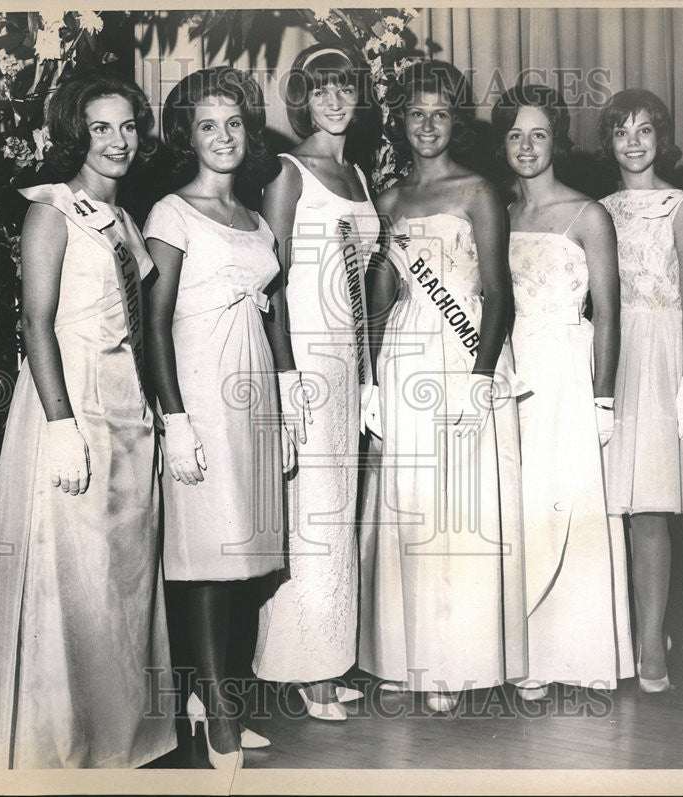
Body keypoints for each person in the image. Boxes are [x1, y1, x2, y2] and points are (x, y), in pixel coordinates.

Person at [0, 72, 176, 768]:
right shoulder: (52, 211)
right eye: (102, 127)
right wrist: (62, 423)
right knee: (70, 579)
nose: (118, 141)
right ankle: (61, 745)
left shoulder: (126, 219)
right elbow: (33, 321)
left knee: (120, 585)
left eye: (128, 125)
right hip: (69, 406)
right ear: (79, 133)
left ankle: (119, 740)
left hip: (128, 412)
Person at [358, 60, 526, 713]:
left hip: (460, 361)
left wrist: (483, 376)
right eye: (415, 114)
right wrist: (371, 377)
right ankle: (409, 654)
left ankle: (456, 659)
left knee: (456, 509)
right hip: (403, 360)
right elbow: (378, 295)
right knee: (407, 504)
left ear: (455, 121)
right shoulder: (390, 200)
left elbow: (495, 293)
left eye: (439, 114)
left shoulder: (478, 192)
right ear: (400, 122)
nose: (427, 125)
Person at [144, 66, 290, 769]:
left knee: (246, 556)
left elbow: (274, 308)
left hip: (253, 387)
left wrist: (284, 406)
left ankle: (215, 694)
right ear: (187, 136)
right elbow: (154, 322)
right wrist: (174, 418)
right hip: (198, 391)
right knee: (206, 553)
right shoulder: (171, 213)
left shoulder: (257, 218)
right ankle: (219, 715)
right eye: (208, 125)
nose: (224, 136)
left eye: (234, 122)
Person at [492, 83, 634, 700]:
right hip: (511, 373)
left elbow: (609, 313)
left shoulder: (589, 215)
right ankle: (523, 652)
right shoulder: (496, 213)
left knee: (566, 503)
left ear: (558, 141)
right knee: (519, 508)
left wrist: (603, 399)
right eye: (516, 134)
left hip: (567, 377)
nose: (527, 146)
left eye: (539, 134)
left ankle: (575, 651)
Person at [252, 44, 379, 720]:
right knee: (312, 515)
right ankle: (304, 670)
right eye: (321, 89)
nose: (334, 100)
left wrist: (367, 373)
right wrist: (285, 372)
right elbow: (267, 283)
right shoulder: (288, 172)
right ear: (304, 96)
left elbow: (359, 284)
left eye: (345, 88)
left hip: (346, 362)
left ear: (359, 96)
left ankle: (331, 657)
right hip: (302, 359)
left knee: (339, 511)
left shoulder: (356, 173)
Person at [597, 89, 683, 693]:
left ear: (661, 138)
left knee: (650, 506)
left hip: (661, 362)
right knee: (610, 507)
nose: (634, 142)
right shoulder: (596, 209)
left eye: (644, 131)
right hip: (609, 359)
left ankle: (652, 645)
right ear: (609, 142)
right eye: (622, 131)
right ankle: (618, 634)